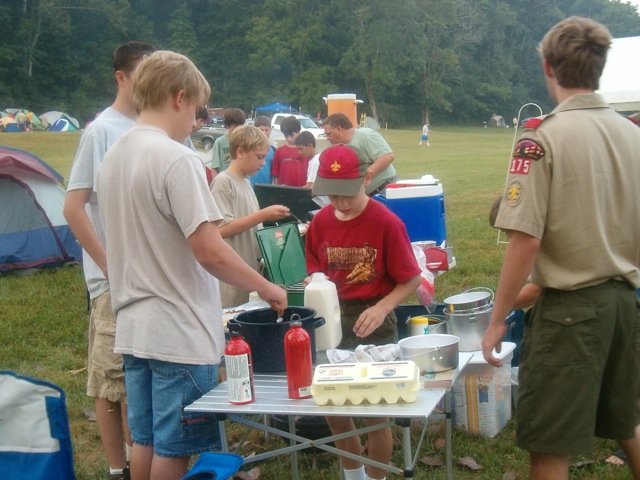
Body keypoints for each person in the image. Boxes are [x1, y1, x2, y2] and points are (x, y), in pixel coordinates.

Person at [96, 50, 287, 480]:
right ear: (179, 98)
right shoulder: (176, 158)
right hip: (177, 329)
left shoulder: (114, 156)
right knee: (175, 447)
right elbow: (210, 249)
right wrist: (267, 287)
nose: (196, 121)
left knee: (145, 440)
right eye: (197, 109)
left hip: (133, 324)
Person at [482, 17, 640, 480]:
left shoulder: (540, 139)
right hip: (623, 304)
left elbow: (525, 239)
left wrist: (497, 320)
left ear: (548, 67)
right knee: (627, 421)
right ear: (600, 67)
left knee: (549, 445)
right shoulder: (633, 135)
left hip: (571, 312)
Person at [63, 40, 155, 480]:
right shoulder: (102, 131)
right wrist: (108, 267)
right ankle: (118, 469)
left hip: (148, 277)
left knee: (137, 377)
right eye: (143, 74)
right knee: (110, 381)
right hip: (113, 283)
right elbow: (73, 207)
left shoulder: (151, 127)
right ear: (121, 77)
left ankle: (142, 459)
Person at [305, 145, 421, 480]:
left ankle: (376, 476)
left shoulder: (386, 222)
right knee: (334, 407)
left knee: (373, 410)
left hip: (375, 319)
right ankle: (352, 474)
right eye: (332, 195)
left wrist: (384, 306)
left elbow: (411, 278)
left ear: (366, 179)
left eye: (346, 194)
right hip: (331, 319)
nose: (339, 203)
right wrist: (314, 282)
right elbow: (315, 268)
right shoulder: (321, 222)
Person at [210, 125, 290, 307]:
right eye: (259, 157)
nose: (263, 163)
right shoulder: (223, 182)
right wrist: (262, 215)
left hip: (248, 277)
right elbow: (220, 230)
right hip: (231, 282)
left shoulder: (245, 182)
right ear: (240, 152)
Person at [322, 112, 398, 196]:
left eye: (329, 134)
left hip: (384, 190)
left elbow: (387, 156)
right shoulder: (341, 148)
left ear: (339, 129)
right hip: (363, 197)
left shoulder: (365, 135)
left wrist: (364, 175)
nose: (327, 138)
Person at [271, 115, 308, 186]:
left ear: (299, 132)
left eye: (292, 135)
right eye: (286, 136)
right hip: (284, 192)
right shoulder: (279, 151)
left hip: (302, 190)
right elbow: (276, 176)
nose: (289, 139)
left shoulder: (305, 150)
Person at [211, 107, 245, 173]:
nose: (238, 129)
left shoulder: (246, 141)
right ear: (227, 125)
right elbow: (214, 168)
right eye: (235, 126)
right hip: (225, 180)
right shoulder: (219, 142)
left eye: (240, 126)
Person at [249, 115, 275, 187]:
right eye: (261, 130)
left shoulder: (273, 150)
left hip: (266, 187)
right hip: (250, 186)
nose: (264, 133)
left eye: (266, 130)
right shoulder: (248, 148)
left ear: (270, 130)